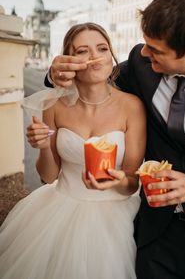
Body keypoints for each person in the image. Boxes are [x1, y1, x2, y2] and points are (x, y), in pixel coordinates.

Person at [45, 0, 185, 279]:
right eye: (145, 43)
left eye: (156, 49)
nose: (144, 52)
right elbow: (92, 82)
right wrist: (54, 72)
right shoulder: (141, 63)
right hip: (153, 236)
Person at [0, 23, 146, 279]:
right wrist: (44, 146)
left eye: (102, 48)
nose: (94, 56)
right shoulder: (54, 105)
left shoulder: (132, 106)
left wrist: (120, 180)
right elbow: (49, 176)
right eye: (82, 51)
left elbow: (132, 182)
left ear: (111, 56)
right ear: (67, 61)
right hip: (60, 205)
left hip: (114, 209)